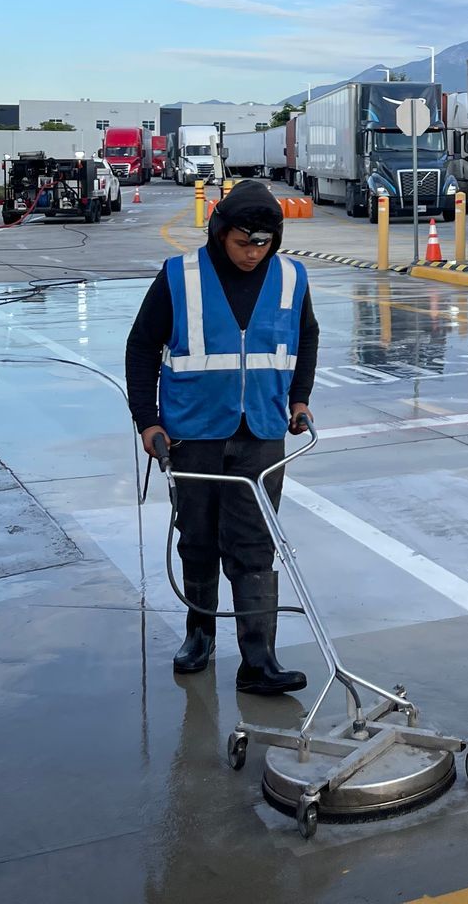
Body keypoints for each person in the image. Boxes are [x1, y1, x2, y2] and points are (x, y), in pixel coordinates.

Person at [124, 177, 320, 694]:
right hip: (194, 431)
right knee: (199, 539)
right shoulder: (179, 277)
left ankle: (259, 660)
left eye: (263, 243)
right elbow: (142, 347)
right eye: (242, 242)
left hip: (261, 430)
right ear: (219, 232)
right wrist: (148, 420)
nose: (253, 253)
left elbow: (307, 337)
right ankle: (200, 636)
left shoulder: (290, 278)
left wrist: (299, 398)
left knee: (255, 545)